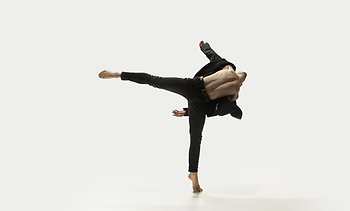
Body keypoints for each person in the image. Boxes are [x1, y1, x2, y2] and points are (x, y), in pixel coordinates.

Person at [98, 40, 247, 192]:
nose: (240, 81)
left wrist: (188, 112)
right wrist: (205, 47)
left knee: (195, 137)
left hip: (197, 96)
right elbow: (213, 58)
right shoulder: (230, 75)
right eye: (241, 78)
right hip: (196, 90)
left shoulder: (232, 83)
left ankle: (193, 174)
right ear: (238, 72)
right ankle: (118, 74)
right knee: (156, 81)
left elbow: (217, 107)